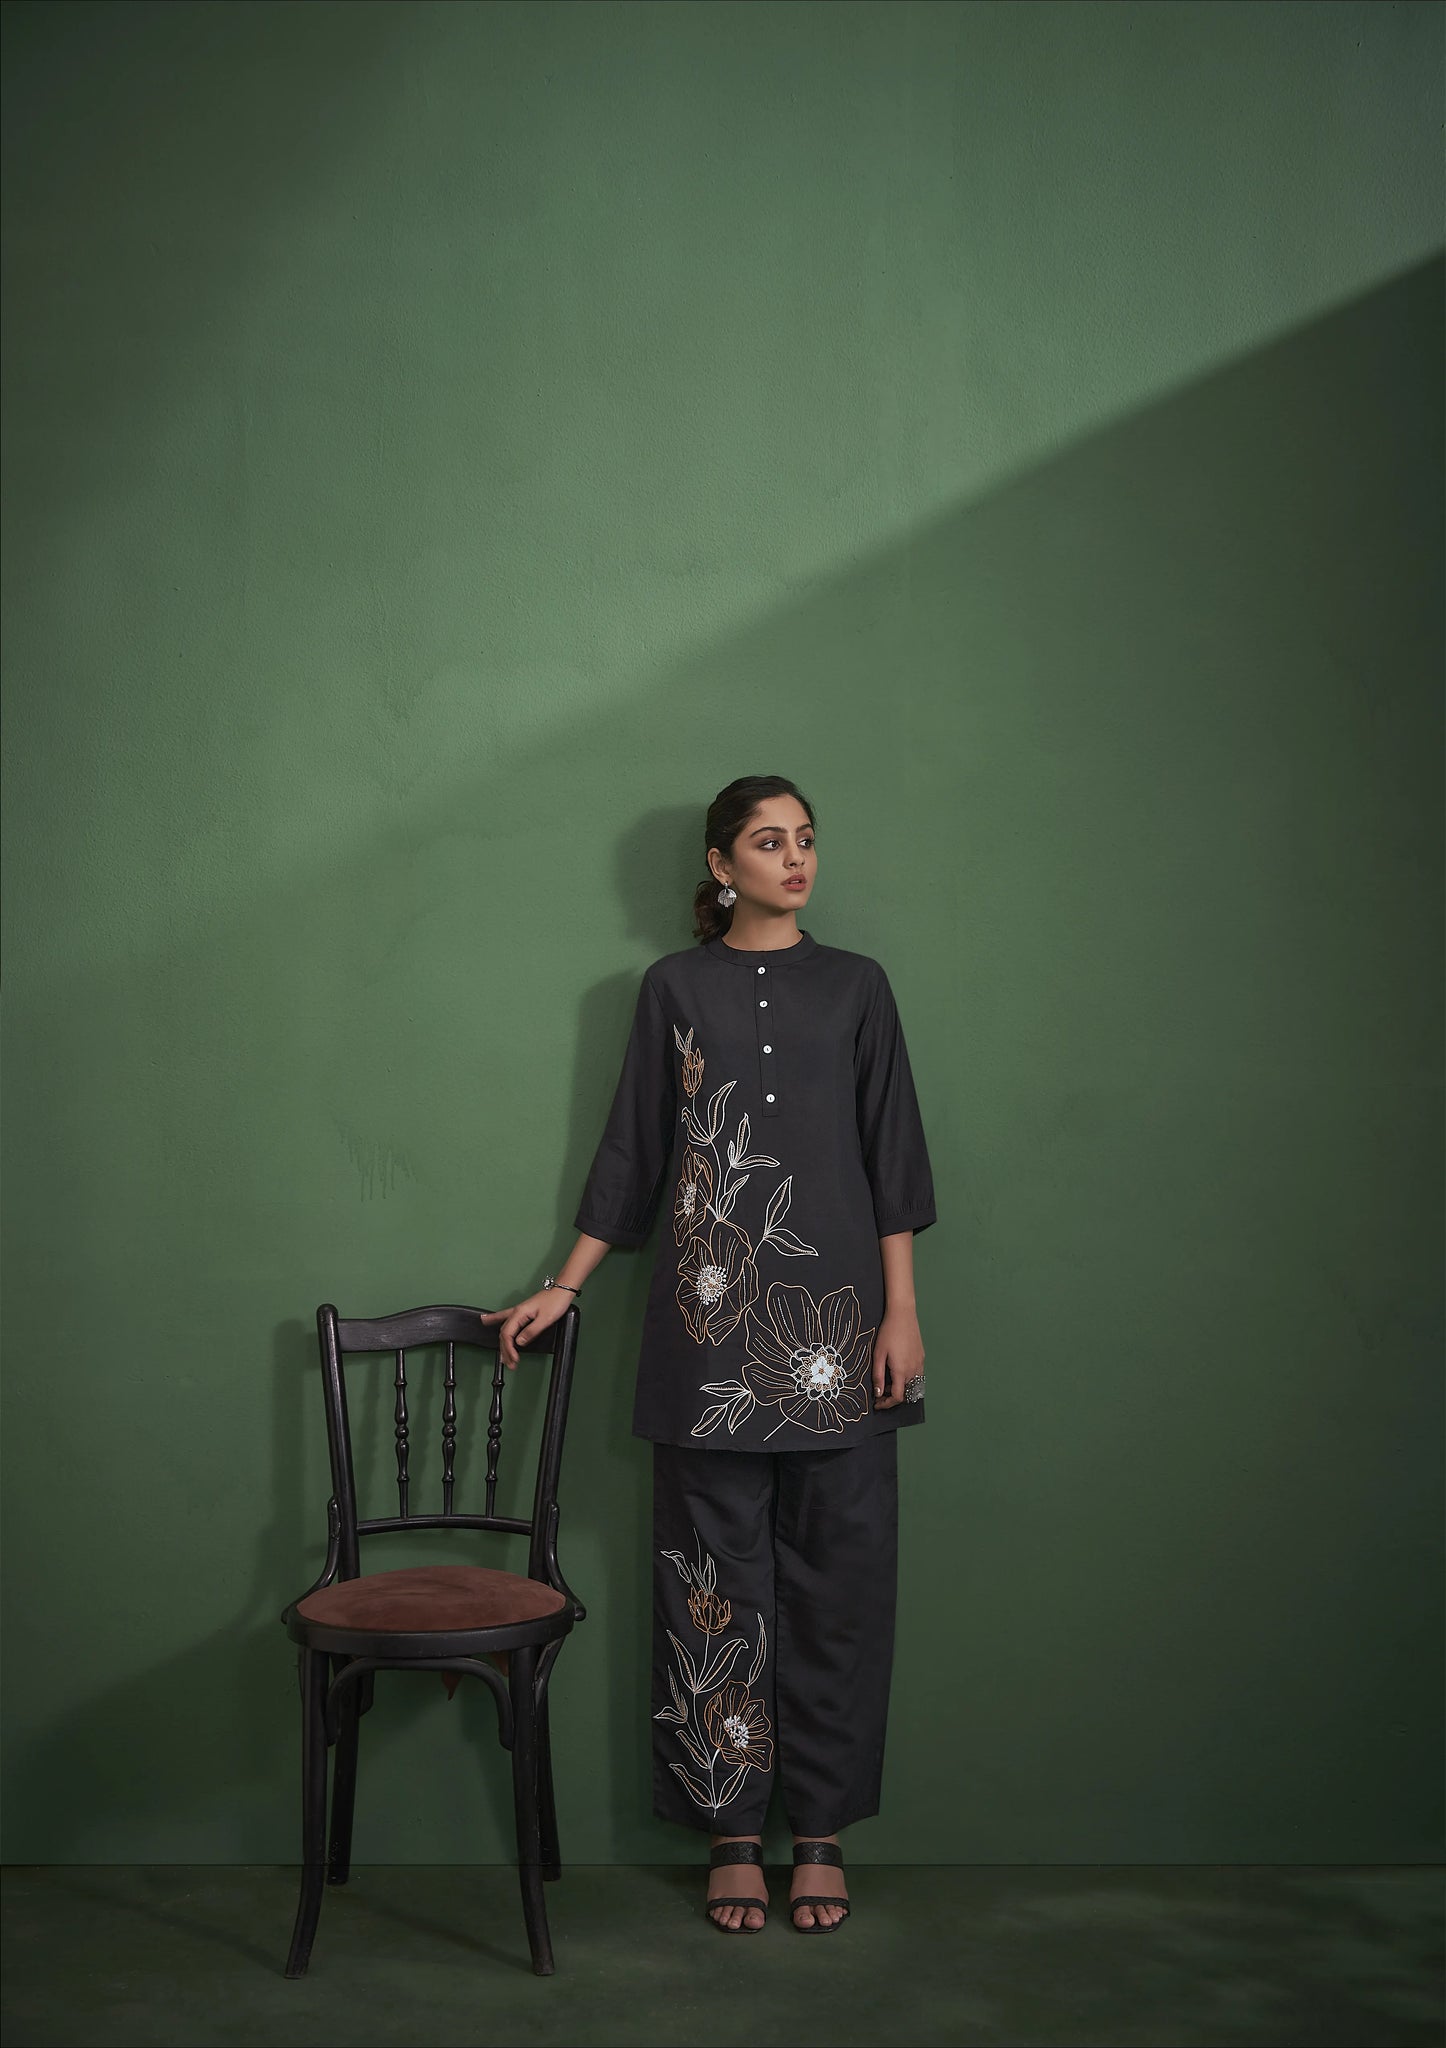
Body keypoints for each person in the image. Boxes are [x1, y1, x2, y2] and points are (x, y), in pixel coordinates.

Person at [482, 774, 936, 1935]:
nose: (797, 858)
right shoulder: (674, 989)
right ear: (722, 864)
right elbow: (636, 1151)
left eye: (807, 839)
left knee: (839, 1586)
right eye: (770, 841)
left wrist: (902, 1311)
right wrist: (565, 1283)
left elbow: (892, 1153)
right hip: (708, 1329)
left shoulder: (859, 986)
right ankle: (733, 1831)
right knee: (710, 1584)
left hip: (840, 1333)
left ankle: (819, 1831)